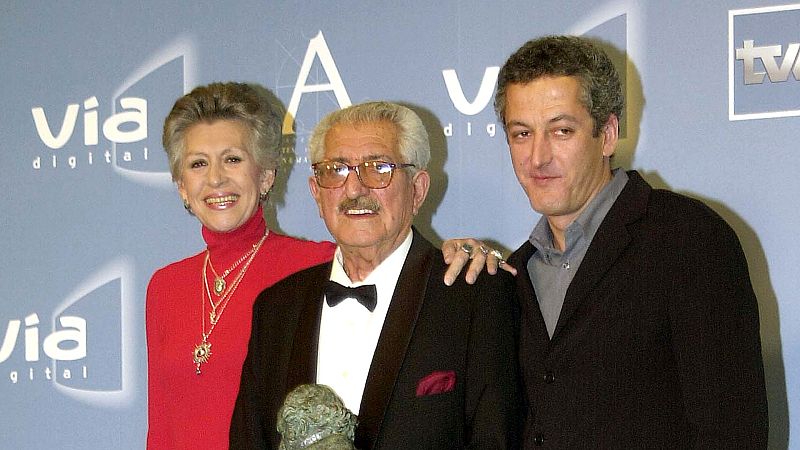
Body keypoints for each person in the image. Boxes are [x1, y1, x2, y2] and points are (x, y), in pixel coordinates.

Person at [146, 83, 500, 449]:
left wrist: (470, 254)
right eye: (198, 163)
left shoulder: (319, 259)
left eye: (233, 159)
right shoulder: (175, 287)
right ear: (180, 184)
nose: (216, 178)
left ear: (266, 175)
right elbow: (162, 425)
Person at [490, 35, 768, 447]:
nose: (538, 157)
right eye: (521, 134)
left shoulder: (688, 238)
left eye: (561, 131)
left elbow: (732, 431)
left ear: (607, 134)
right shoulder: (515, 272)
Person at [230, 101, 520, 449]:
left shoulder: (476, 295)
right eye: (336, 170)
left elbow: (496, 438)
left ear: (417, 189)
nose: (354, 190)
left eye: (379, 168)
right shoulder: (276, 308)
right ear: (317, 193)